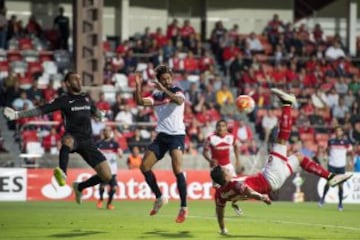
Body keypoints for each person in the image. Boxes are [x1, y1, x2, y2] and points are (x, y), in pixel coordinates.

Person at [210, 88, 353, 235]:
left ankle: (330, 177)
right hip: (269, 176)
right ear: (225, 176)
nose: (228, 169)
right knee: (281, 140)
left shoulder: (220, 194)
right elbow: (247, 191)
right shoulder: (234, 184)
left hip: (272, 180)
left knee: (299, 157)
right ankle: (287, 104)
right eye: (225, 170)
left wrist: (223, 229)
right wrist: (262, 198)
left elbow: (219, 211)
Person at [3, 71, 112, 204]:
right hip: (73, 138)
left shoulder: (86, 97)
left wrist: (100, 115)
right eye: (75, 79)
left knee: (107, 176)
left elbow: (95, 111)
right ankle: (62, 173)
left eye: (79, 79)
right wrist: (17, 115)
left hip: (88, 142)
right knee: (67, 140)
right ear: (67, 83)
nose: (79, 81)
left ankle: (79, 187)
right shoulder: (64, 100)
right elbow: (41, 109)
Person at [134, 65, 188, 223]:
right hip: (162, 136)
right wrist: (137, 85)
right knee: (144, 167)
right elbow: (139, 102)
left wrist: (164, 89)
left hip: (177, 135)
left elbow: (178, 101)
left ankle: (184, 207)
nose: (166, 81)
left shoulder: (177, 90)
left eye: (168, 78)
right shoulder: (156, 95)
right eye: (163, 79)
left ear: (171, 78)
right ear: (159, 80)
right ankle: (159, 197)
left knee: (177, 169)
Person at [203, 119, 243, 215]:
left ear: (226, 128)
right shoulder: (210, 138)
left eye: (223, 126)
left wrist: (238, 161)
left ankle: (234, 203)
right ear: (216, 128)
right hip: (216, 168)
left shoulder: (231, 137)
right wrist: (210, 160)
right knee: (218, 190)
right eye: (219, 126)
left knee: (237, 187)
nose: (221, 128)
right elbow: (204, 151)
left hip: (228, 166)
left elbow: (236, 147)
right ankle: (218, 209)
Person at [319, 126, 353, 211]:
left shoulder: (346, 142)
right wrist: (325, 156)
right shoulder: (331, 141)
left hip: (341, 166)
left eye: (339, 131)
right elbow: (326, 149)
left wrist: (350, 161)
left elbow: (351, 152)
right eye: (337, 131)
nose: (338, 132)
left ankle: (340, 204)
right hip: (332, 165)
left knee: (340, 186)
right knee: (328, 183)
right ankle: (322, 199)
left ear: (342, 132)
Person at [96, 126, 122, 210]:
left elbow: (119, 152)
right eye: (106, 131)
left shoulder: (114, 143)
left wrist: (120, 153)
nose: (107, 132)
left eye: (109, 131)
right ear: (103, 132)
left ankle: (109, 204)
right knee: (102, 187)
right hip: (103, 169)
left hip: (112, 170)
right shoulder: (99, 143)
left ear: (111, 132)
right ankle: (101, 199)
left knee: (114, 187)